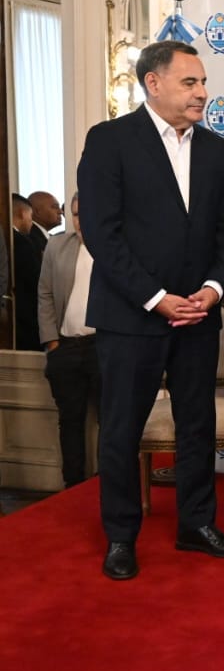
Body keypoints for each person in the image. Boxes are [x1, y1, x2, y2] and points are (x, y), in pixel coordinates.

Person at [78, 39, 224, 580]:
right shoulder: (109, 141)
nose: (202, 92)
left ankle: (196, 525)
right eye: (190, 82)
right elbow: (102, 234)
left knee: (197, 424)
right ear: (153, 83)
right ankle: (120, 537)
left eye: (203, 82)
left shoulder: (215, 149)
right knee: (122, 429)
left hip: (198, 313)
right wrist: (155, 298)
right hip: (131, 316)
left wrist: (214, 287)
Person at [37, 192, 101, 489]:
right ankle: (72, 486)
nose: (80, 221)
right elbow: (45, 294)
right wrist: (52, 343)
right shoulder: (56, 245)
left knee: (110, 420)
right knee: (70, 420)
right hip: (65, 347)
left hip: (103, 347)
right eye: (75, 214)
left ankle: (107, 485)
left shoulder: (116, 247)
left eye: (86, 213)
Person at [12, 193, 43, 350]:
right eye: (31, 217)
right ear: (22, 213)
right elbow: (35, 280)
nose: (31, 223)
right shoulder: (22, 242)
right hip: (24, 318)